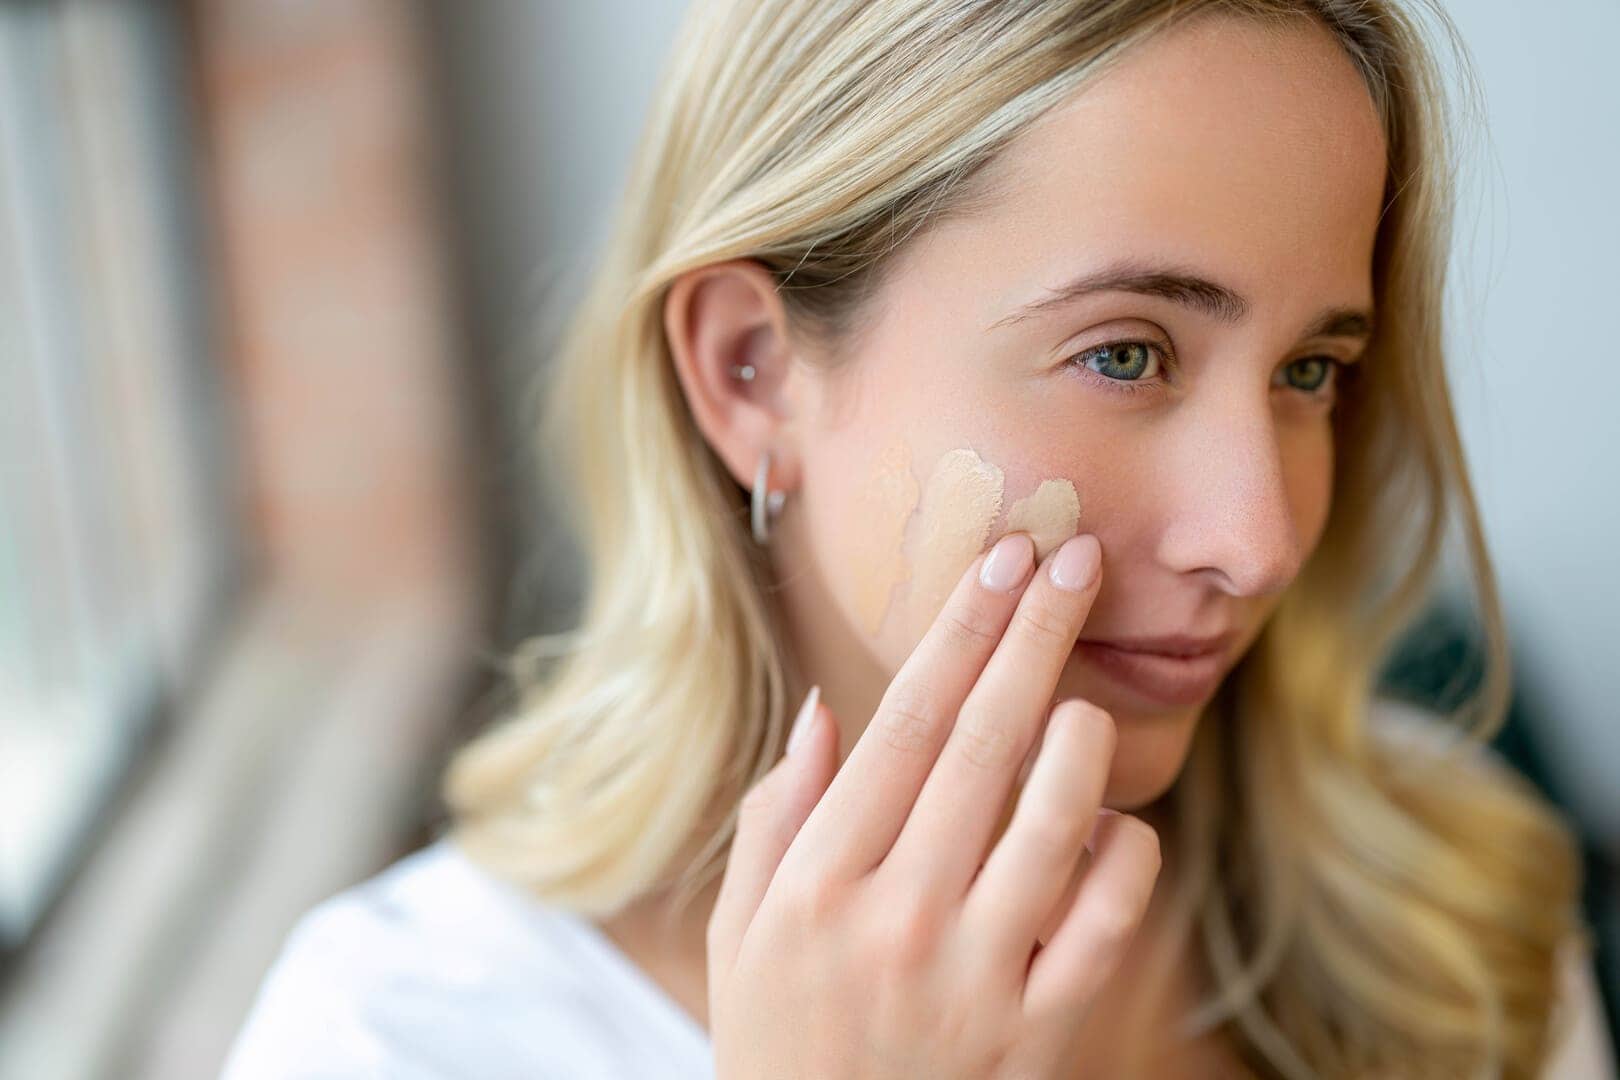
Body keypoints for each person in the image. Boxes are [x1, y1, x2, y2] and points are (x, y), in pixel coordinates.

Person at [221, 0, 1616, 1076]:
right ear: (751, 372)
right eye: (1126, 355)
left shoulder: (1442, 910)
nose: (1256, 540)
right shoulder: (401, 1038)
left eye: (1310, 372)